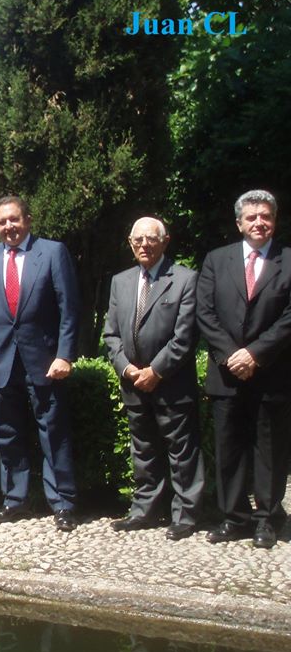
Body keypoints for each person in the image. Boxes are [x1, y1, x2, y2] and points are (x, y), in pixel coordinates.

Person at [0, 196, 80, 531]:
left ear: (28, 220)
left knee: (53, 433)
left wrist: (65, 354)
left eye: (14, 220)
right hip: (1, 362)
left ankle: (63, 504)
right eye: (2, 222)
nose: (8, 227)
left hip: (44, 362)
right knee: (6, 434)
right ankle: (14, 501)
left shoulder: (52, 252)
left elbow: (69, 309)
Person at [197, 189, 291, 549]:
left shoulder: (288, 260)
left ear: (274, 220)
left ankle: (267, 518)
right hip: (226, 373)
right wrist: (231, 355)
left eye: (265, 216)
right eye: (251, 217)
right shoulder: (216, 260)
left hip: (273, 372)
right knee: (230, 447)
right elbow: (205, 313)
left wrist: (254, 354)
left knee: (270, 448)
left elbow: (288, 319)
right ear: (239, 223)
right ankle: (233, 517)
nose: (259, 222)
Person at [103, 217, 205, 541]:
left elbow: (185, 336)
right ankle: (144, 511)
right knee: (143, 451)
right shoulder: (120, 281)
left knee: (181, 452)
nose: (144, 245)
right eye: (137, 240)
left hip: (171, 383)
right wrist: (127, 369)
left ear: (165, 241)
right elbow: (111, 335)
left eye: (150, 239)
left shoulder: (186, 279)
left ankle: (185, 516)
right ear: (130, 243)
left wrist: (156, 371)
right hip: (133, 382)